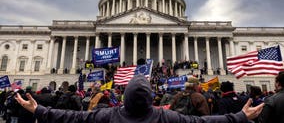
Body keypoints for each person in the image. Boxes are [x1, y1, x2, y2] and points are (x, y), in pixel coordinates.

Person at [15, 75, 263, 123]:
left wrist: (39, 110)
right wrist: (240, 116)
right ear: (151, 98)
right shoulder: (166, 116)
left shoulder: (107, 115)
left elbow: (74, 118)